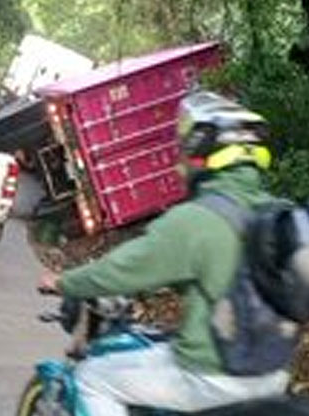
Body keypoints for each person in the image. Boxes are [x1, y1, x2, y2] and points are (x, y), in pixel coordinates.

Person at [37, 123, 290, 414]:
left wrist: (64, 282)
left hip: (212, 373)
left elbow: (124, 269)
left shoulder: (200, 217)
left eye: (190, 153)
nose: (183, 165)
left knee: (92, 378)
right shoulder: (277, 215)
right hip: (271, 376)